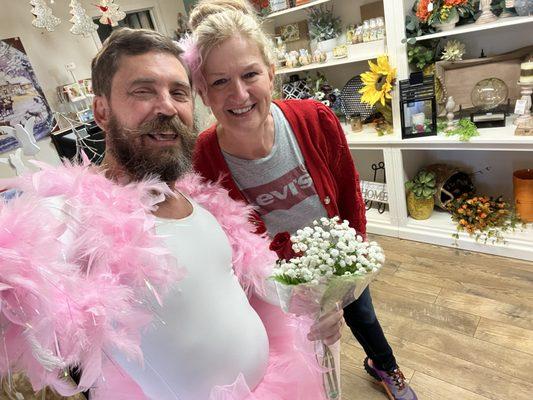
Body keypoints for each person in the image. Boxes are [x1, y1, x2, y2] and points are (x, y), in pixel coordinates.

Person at [0, 28, 342, 400]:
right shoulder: (73, 213)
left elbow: (241, 282)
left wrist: (308, 306)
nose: (166, 107)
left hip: (280, 383)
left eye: (178, 93)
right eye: (143, 91)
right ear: (101, 110)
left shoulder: (203, 200)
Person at [188, 2, 418, 400]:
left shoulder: (314, 119)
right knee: (305, 355)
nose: (239, 94)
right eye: (220, 81)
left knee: (363, 315)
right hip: (275, 286)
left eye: (250, 74)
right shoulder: (203, 159)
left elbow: (348, 190)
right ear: (202, 91)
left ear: (271, 72)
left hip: (337, 258)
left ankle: (383, 364)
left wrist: (353, 257)